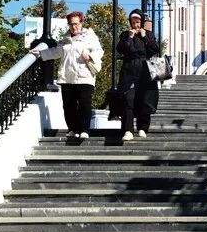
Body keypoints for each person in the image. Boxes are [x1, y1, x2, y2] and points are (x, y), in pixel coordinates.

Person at [30, 11, 103, 139]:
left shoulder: (89, 36)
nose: (73, 27)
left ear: (81, 23)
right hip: (67, 76)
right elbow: (57, 52)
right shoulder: (65, 39)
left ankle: (84, 129)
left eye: (76, 23)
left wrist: (90, 56)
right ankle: (73, 129)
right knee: (68, 105)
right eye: (70, 24)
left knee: (85, 104)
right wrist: (40, 53)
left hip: (84, 76)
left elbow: (99, 50)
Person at [116, 9, 160, 141]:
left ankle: (142, 127)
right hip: (129, 69)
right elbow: (120, 49)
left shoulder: (148, 34)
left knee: (145, 99)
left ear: (141, 22)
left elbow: (154, 49)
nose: (135, 24)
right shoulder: (125, 35)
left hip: (145, 70)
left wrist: (144, 36)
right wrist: (129, 37)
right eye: (133, 22)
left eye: (138, 22)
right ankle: (128, 130)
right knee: (128, 99)